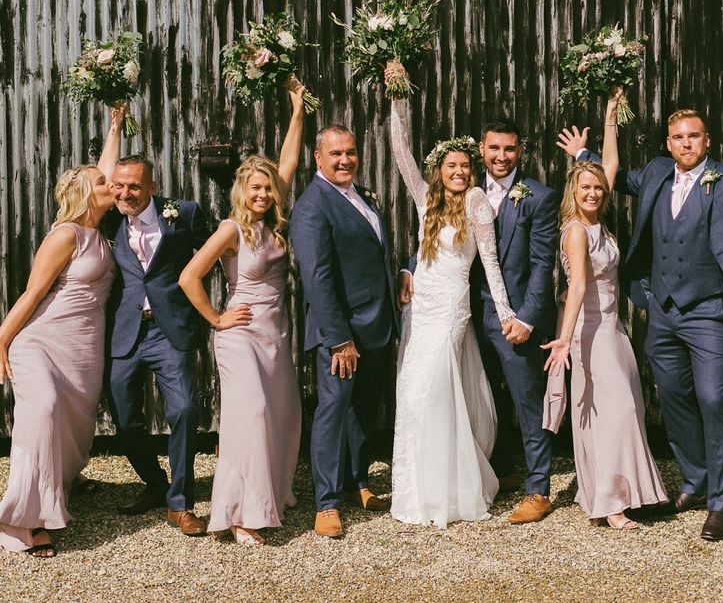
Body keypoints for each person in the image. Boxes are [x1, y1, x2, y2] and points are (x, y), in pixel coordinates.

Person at [561, 102, 723, 541]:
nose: (686, 143)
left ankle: (722, 502)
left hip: (711, 311)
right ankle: (695, 479)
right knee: (672, 396)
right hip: (663, 314)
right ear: (668, 143)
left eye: (694, 136)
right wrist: (583, 158)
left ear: (706, 140)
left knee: (714, 399)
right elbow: (608, 176)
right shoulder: (656, 173)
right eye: (678, 137)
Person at [403, 115, 560, 524]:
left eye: (509, 149)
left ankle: (538, 488)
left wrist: (524, 318)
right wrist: (408, 270)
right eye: (494, 149)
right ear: (482, 151)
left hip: (513, 319)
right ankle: (499, 470)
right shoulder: (462, 195)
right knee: (481, 399)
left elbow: (543, 266)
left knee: (527, 399)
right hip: (464, 315)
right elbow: (431, 243)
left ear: (520, 150)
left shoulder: (537, 197)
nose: (502, 156)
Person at [178, 87, 305, 545]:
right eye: (256, 187)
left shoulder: (273, 223)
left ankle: (270, 494)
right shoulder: (230, 229)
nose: (264, 193)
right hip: (240, 333)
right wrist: (215, 318)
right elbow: (189, 277)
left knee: (285, 414)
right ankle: (239, 513)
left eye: (268, 188)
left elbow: (287, 163)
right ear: (241, 191)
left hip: (275, 333)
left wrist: (296, 113)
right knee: (249, 413)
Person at [0, 105, 126, 556]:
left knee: (74, 425)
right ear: (84, 194)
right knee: (43, 410)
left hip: (83, 348)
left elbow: (105, 171)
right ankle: (22, 519)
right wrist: (1, 341)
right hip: (42, 341)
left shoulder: (99, 230)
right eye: (102, 183)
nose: (112, 185)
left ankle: (59, 489)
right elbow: (32, 295)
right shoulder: (65, 235)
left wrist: (114, 126)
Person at [388, 100, 516, 528]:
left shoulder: (478, 201)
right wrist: (398, 97)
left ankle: (455, 489)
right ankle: (421, 489)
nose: (459, 172)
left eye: (464, 165)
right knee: (411, 393)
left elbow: (491, 264)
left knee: (434, 390)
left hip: (451, 310)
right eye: (451, 166)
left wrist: (506, 313)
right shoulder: (427, 201)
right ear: (439, 170)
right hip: (421, 308)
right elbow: (400, 151)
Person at [543, 90, 667, 530]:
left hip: (613, 329)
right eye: (586, 186)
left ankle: (612, 491)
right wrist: (564, 337)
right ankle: (610, 501)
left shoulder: (599, 220)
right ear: (573, 191)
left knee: (623, 407)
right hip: (589, 330)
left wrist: (611, 116)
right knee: (613, 411)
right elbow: (576, 286)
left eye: (598, 187)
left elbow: (609, 164)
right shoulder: (576, 231)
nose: (594, 191)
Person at [289, 122, 397, 538]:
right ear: (318, 158)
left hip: (376, 325)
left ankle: (357, 481)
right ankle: (327, 502)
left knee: (362, 410)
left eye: (350, 152)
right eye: (335, 154)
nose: (345, 160)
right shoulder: (312, 205)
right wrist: (338, 339)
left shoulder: (360, 195)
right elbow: (317, 277)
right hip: (342, 333)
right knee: (333, 412)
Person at [106, 151, 209, 536]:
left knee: (183, 411)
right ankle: (155, 484)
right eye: (119, 185)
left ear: (152, 186)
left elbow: (215, 251)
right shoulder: (105, 216)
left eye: (134, 186)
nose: (126, 193)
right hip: (124, 331)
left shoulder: (183, 213)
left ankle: (180, 504)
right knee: (125, 417)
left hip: (170, 329)